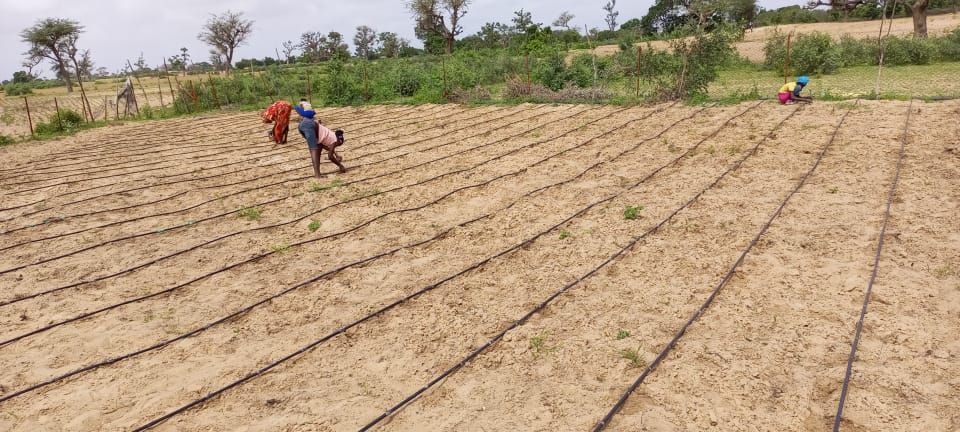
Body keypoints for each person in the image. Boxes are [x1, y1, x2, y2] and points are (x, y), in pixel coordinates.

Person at [296, 103, 347, 178]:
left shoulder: (329, 137)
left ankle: (318, 174)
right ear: (339, 140)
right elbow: (330, 156)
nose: (337, 145)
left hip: (303, 126)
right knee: (314, 150)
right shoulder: (334, 140)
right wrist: (340, 165)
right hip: (309, 126)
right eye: (339, 144)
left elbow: (326, 147)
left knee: (318, 149)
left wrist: (336, 154)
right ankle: (317, 175)